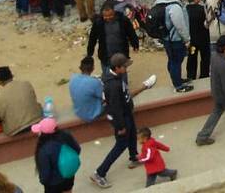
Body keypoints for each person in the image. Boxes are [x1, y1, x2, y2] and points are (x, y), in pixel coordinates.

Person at [90, 53, 153, 187]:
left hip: (126, 114)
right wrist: (120, 126)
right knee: (120, 145)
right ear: (117, 68)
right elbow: (115, 108)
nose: (126, 69)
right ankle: (99, 173)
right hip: (121, 118)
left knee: (131, 135)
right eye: (124, 66)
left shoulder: (117, 78)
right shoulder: (113, 86)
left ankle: (134, 157)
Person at [87, 1, 140, 73]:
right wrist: (90, 52)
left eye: (110, 15)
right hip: (106, 55)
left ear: (114, 13)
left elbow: (131, 33)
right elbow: (92, 38)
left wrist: (135, 44)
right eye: (105, 16)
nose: (108, 18)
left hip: (121, 54)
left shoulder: (123, 20)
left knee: (122, 75)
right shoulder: (98, 23)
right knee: (108, 76)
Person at [32, 116, 80, 193]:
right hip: (69, 174)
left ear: (42, 134)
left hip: (53, 183)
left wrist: (43, 181)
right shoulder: (66, 135)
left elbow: (45, 173)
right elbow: (77, 149)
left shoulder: (44, 150)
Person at [69, 56, 104, 122]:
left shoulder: (73, 78)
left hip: (78, 112)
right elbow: (103, 96)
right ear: (93, 68)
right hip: (92, 114)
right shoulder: (94, 82)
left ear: (80, 68)